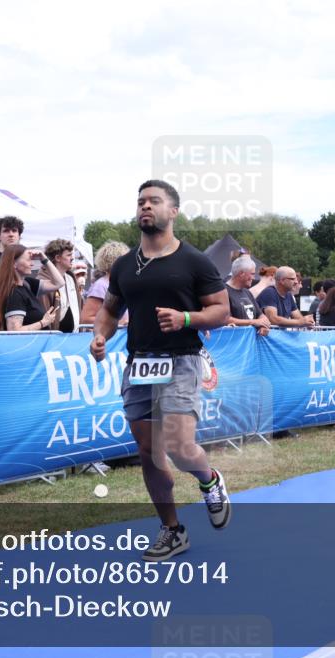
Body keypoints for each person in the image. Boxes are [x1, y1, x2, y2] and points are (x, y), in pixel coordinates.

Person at [89, 180, 231, 562]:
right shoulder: (124, 265)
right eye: (140, 202)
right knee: (150, 452)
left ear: (173, 212)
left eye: (154, 201)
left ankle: (209, 480)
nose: (145, 207)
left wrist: (186, 317)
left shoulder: (194, 261)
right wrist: (100, 337)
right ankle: (172, 530)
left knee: (181, 448)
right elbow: (108, 310)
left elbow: (221, 311)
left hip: (182, 359)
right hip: (139, 363)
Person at [0, 244, 64, 332]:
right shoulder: (15, 293)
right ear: (14, 264)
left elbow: (59, 283)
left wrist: (43, 258)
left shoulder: (27, 284)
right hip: (26, 344)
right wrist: (43, 322)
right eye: (28, 260)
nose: (32, 264)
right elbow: (14, 331)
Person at [80, 241, 130, 326]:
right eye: (126, 259)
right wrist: (117, 323)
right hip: (108, 337)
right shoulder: (101, 285)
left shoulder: (122, 283)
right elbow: (86, 319)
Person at [40, 239, 83, 333]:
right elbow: (43, 313)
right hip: (54, 340)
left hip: (74, 336)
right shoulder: (43, 281)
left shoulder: (71, 278)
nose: (72, 258)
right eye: (69, 255)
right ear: (58, 258)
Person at [225, 254, 270, 335]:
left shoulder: (247, 292)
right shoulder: (223, 291)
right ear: (242, 273)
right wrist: (253, 322)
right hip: (233, 343)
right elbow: (224, 319)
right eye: (252, 274)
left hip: (249, 343)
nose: (254, 278)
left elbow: (260, 315)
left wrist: (263, 325)